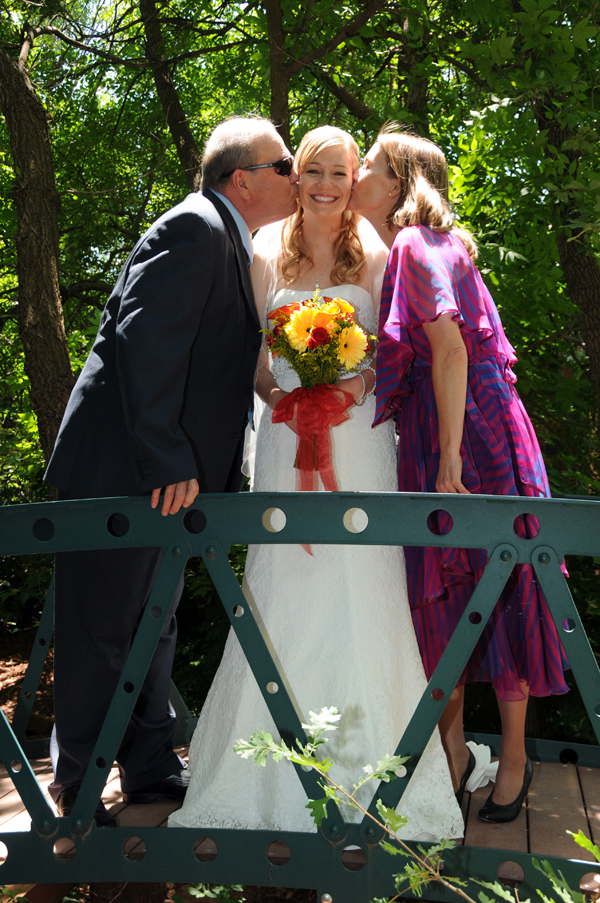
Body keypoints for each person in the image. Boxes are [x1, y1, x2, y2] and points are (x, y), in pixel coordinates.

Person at [169, 126, 464, 840]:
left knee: (363, 586)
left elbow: (395, 354)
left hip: (360, 441)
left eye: (340, 171)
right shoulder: (264, 251)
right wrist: (282, 398)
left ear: (350, 175)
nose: (328, 184)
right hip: (281, 441)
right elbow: (250, 358)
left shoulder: (380, 249)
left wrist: (351, 382)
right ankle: (262, 779)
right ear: (295, 177)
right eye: (313, 171)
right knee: (283, 587)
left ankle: (375, 772)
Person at [44, 116, 298, 825]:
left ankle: (150, 768)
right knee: (101, 625)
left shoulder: (226, 239)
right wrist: (168, 457)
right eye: (284, 166)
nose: (295, 176)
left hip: (163, 477)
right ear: (241, 179)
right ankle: (81, 784)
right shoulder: (195, 228)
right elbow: (143, 341)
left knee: (152, 624)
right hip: (125, 470)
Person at [349, 126, 569, 823]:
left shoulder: (416, 242)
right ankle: (461, 755)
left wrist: (447, 454)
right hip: (462, 428)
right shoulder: (433, 246)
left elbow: (447, 346)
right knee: (469, 592)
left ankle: (507, 758)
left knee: (485, 588)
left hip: (468, 436)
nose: (357, 176)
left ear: (402, 182)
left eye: (372, 167)